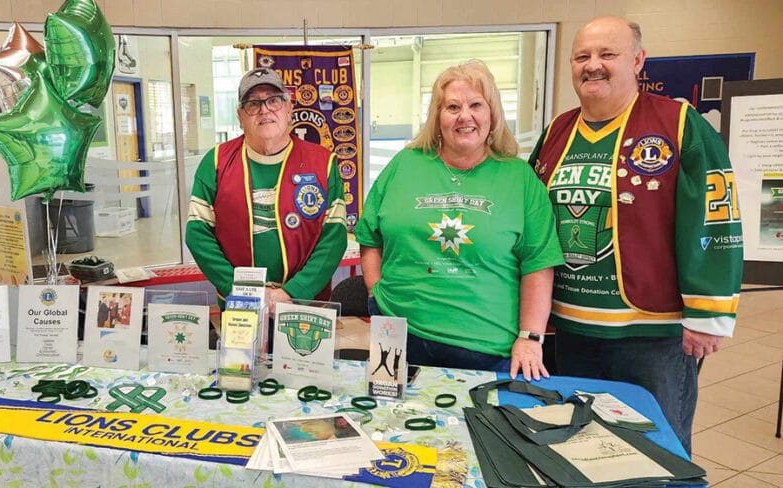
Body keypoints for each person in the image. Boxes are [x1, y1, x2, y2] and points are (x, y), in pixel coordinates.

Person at [528, 17, 742, 453]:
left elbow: (715, 215)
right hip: (569, 329)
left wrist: (708, 312)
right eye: (582, 56)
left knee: (656, 449)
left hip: (651, 333)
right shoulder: (556, 132)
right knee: (580, 445)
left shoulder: (677, 122)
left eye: (608, 54)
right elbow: (531, 221)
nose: (593, 65)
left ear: (638, 60)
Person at [355, 61, 563, 381]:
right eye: (452, 107)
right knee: (390, 413)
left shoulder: (520, 178)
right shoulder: (404, 164)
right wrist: (375, 292)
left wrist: (530, 337)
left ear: (492, 115)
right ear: (437, 118)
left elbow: (539, 262)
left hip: (486, 347)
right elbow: (370, 235)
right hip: (397, 335)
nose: (465, 116)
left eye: (476, 105)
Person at [186, 68, 347, 309]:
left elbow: (334, 238)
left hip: (306, 305)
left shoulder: (323, 163)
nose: (265, 110)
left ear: (289, 108)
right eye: (253, 103)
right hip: (240, 305)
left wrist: (294, 291)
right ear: (240, 116)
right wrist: (237, 288)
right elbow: (197, 234)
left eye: (273, 100)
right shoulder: (216, 162)